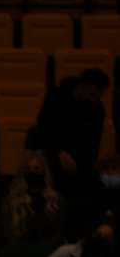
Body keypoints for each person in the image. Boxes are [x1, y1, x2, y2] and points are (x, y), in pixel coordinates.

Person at [33, 68, 110, 225]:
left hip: (80, 161)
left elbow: (92, 144)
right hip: (51, 153)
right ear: (84, 87)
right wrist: (60, 152)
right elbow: (43, 129)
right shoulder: (56, 97)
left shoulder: (97, 109)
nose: (96, 99)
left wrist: (79, 162)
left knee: (96, 187)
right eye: (94, 94)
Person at [0, 150, 64, 257]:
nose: (33, 172)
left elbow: (60, 232)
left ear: (44, 171)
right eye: (28, 168)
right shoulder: (12, 201)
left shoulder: (55, 201)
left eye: (36, 168)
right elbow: (7, 232)